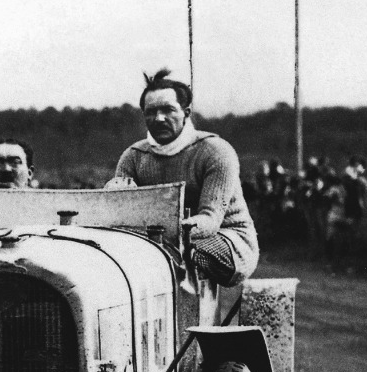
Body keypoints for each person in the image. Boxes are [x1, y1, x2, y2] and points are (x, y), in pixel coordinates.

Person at [111, 68, 259, 286]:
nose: (159, 118)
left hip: (228, 240)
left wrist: (163, 233)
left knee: (174, 254)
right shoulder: (133, 156)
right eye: (150, 112)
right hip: (159, 241)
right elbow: (119, 219)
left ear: (186, 113)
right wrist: (114, 196)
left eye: (168, 110)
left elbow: (210, 220)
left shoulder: (215, 151)